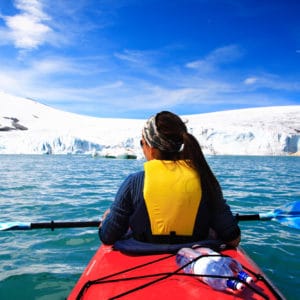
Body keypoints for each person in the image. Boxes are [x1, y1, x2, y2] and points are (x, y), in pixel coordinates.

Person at [99, 111, 241, 248]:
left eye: (142, 143)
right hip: (194, 258)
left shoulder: (134, 183)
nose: (142, 148)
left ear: (152, 149)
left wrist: (107, 218)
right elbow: (233, 238)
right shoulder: (205, 180)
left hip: (143, 258)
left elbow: (108, 236)